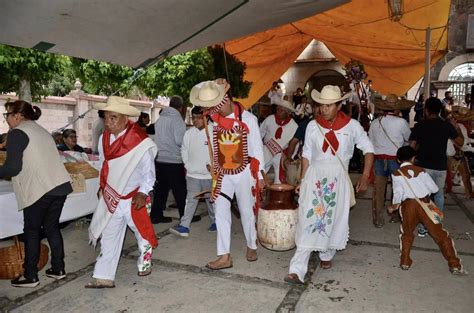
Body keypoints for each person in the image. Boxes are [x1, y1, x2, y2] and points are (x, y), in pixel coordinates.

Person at [285, 85, 374, 284]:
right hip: (315, 176)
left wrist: (365, 175)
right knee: (309, 219)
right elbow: (306, 154)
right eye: (321, 105)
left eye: (329, 105)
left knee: (333, 218)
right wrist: (302, 180)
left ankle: (327, 253)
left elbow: (368, 149)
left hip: (338, 178)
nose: (323, 109)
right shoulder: (312, 126)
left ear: (339, 104)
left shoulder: (352, 126)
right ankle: (296, 269)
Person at [190, 79, 265, 270]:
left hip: (245, 171)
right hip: (223, 173)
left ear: (226, 100)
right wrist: (214, 165)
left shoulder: (249, 119)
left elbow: (257, 149)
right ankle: (224, 255)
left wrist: (260, 177)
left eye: (214, 105)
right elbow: (216, 146)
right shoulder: (214, 122)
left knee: (247, 210)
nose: (212, 110)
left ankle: (251, 244)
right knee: (220, 211)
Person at [86, 96, 158, 288]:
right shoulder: (104, 138)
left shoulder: (141, 142)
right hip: (112, 195)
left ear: (126, 118)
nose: (109, 123)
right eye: (106, 118)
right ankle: (103, 276)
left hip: (135, 196)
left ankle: (145, 260)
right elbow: (104, 165)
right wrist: (102, 187)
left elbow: (148, 172)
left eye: (114, 118)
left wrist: (143, 193)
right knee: (109, 235)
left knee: (142, 234)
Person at [0, 100, 72, 288]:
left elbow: (12, 168)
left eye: (6, 115)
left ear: (17, 116)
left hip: (41, 189)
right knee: (51, 227)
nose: (6, 119)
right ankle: (58, 269)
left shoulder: (18, 132)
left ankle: (30, 275)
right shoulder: (40, 130)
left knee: (31, 231)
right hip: (60, 185)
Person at [388, 146, 466, 275]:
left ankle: (405, 262)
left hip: (408, 206)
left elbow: (398, 194)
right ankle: (455, 264)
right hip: (424, 204)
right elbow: (435, 189)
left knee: (406, 233)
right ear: (413, 158)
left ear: (397, 160)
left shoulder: (396, 174)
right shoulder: (421, 171)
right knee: (440, 235)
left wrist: (394, 206)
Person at [409, 97, 464, 237]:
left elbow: (412, 146)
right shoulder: (446, 125)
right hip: (440, 166)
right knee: (438, 194)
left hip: (423, 166)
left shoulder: (420, 125)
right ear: (440, 110)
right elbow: (460, 142)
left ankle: (423, 227)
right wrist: (455, 126)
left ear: (426, 110)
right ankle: (436, 223)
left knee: (424, 196)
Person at [169, 106, 216, 237]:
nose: (195, 120)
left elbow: (219, 153)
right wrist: (187, 164)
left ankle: (216, 222)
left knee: (212, 201)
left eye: (198, 118)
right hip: (192, 175)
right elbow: (184, 149)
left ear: (205, 117)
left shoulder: (214, 132)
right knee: (190, 201)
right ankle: (184, 226)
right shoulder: (189, 133)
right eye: (193, 117)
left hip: (210, 175)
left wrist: (214, 166)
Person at [368, 94, 412, 227]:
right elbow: (408, 139)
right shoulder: (402, 122)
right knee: (398, 188)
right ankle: (396, 215)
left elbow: (370, 141)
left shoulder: (375, 123)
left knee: (379, 189)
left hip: (379, 159)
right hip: (396, 159)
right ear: (397, 109)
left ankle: (378, 218)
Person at [150, 96, 187, 224]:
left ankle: (156, 215)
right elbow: (179, 141)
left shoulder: (160, 119)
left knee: (161, 190)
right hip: (174, 160)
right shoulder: (178, 120)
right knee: (180, 190)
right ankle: (185, 217)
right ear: (181, 108)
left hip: (160, 159)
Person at [260, 98, 297, 184]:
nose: (278, 111)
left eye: (282, 110)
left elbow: (295, 144)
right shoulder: (270, 119)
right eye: (278, 109)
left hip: (281, 156)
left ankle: (277, 196)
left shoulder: (294, 126)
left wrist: (289, 157)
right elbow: (260, 133)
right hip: (266, 151)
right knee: (259, 174)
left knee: (279, 181)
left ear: (288, 113)